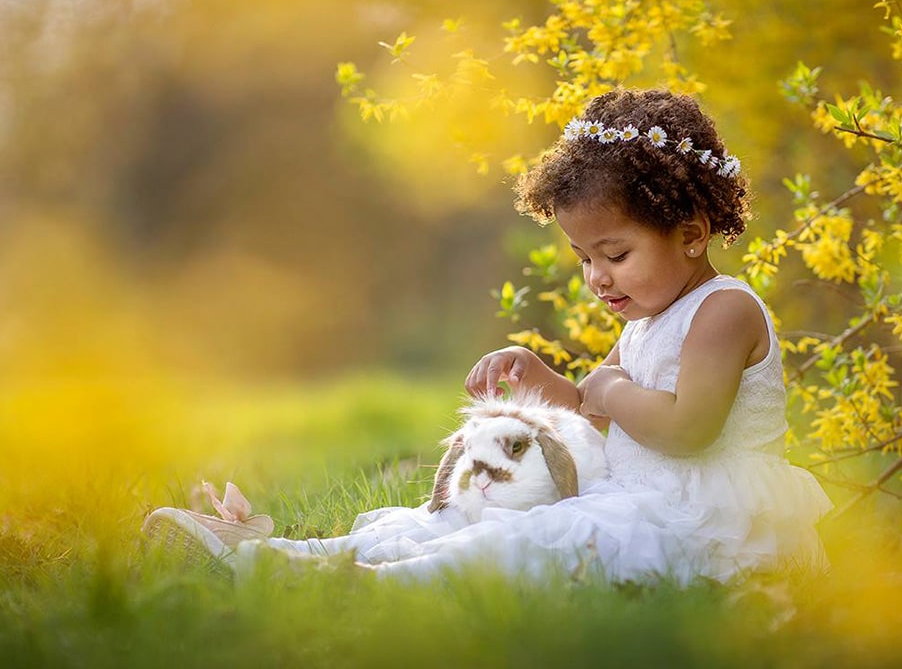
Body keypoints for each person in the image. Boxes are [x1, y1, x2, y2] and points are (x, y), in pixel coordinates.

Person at [144, 87, 832, 585]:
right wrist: (542, 378)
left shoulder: (724, 311)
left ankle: (348, 581)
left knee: (529, 542)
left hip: (702, 521)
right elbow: (592, 410)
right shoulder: (651, 320)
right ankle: (281, 557)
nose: (597, 278)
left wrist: (611, 389)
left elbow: (687, 430)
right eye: (583, 258)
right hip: (638, 497)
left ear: (692, 234)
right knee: (472, 517)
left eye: (616, 255)